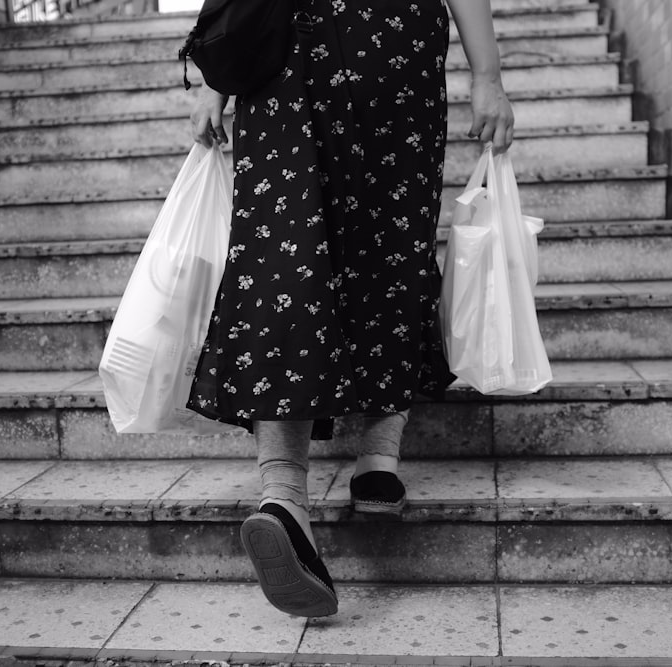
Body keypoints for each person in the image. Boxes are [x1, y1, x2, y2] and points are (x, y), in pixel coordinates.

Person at [188, 0, 514, 617]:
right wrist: (215, 77)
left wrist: (487, 75)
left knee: (346, 250)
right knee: (330, 252)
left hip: (352, 51)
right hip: (325, 51)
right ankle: (326, 481)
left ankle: (335, 473)